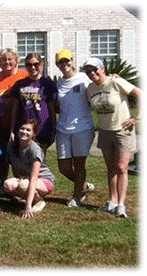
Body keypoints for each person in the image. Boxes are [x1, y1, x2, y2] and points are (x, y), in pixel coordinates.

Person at [84, 57, 141, 218]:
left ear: (102, 69)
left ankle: (121, 205)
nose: (92, 73)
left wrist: (137, 117)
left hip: (123, 130)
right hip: (104, 131)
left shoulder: (115, 82)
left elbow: (140, 94)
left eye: (95, 69)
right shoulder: (90, 88)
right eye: (88, 71)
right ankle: (112, 201)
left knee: (122, 167)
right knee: (111, 168)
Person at [54, 49, 96, 208]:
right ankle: (84, 186)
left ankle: (77, 197)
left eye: (67, 61)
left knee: (79, 165)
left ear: (72, 60)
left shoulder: (84, 79)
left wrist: (113, 77)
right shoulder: (59, 84)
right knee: (63, 168)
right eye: (60, 62)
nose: (64, 64)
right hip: (63, 129)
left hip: (83, 128)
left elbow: (100, 85)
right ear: (57, 65)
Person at [0, 48, 29, 180]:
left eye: (10, 59)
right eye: (3, 60)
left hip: (20, 123)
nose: (7, 62)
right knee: (1, 156)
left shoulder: (24, 77)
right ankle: (1, 185)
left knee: (19, 157)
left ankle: (21, 187)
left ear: (16, 60)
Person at [4, 119, 56, 219]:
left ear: (34, 134)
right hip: (26, 179)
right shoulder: (10, 146)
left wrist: (27, 206)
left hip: (44, 180)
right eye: (22, 129)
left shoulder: (35, 149)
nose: (24, 132)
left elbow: (34, 179)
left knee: (23, 185)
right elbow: (15, 168)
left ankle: (39, 201)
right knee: (8, 185)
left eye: (28, 130)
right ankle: (27, 197)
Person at [10, 53, 57, 152]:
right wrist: (12, 130)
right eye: (29, 65)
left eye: (36, 64)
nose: (33, 67)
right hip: (23, 131)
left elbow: (52, 110)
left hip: (42, 131)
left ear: (41, 65)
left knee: (38, 163)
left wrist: (53, 131)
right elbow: (14, 109)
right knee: (21, 164)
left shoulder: (48, 84)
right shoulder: (19, 85)